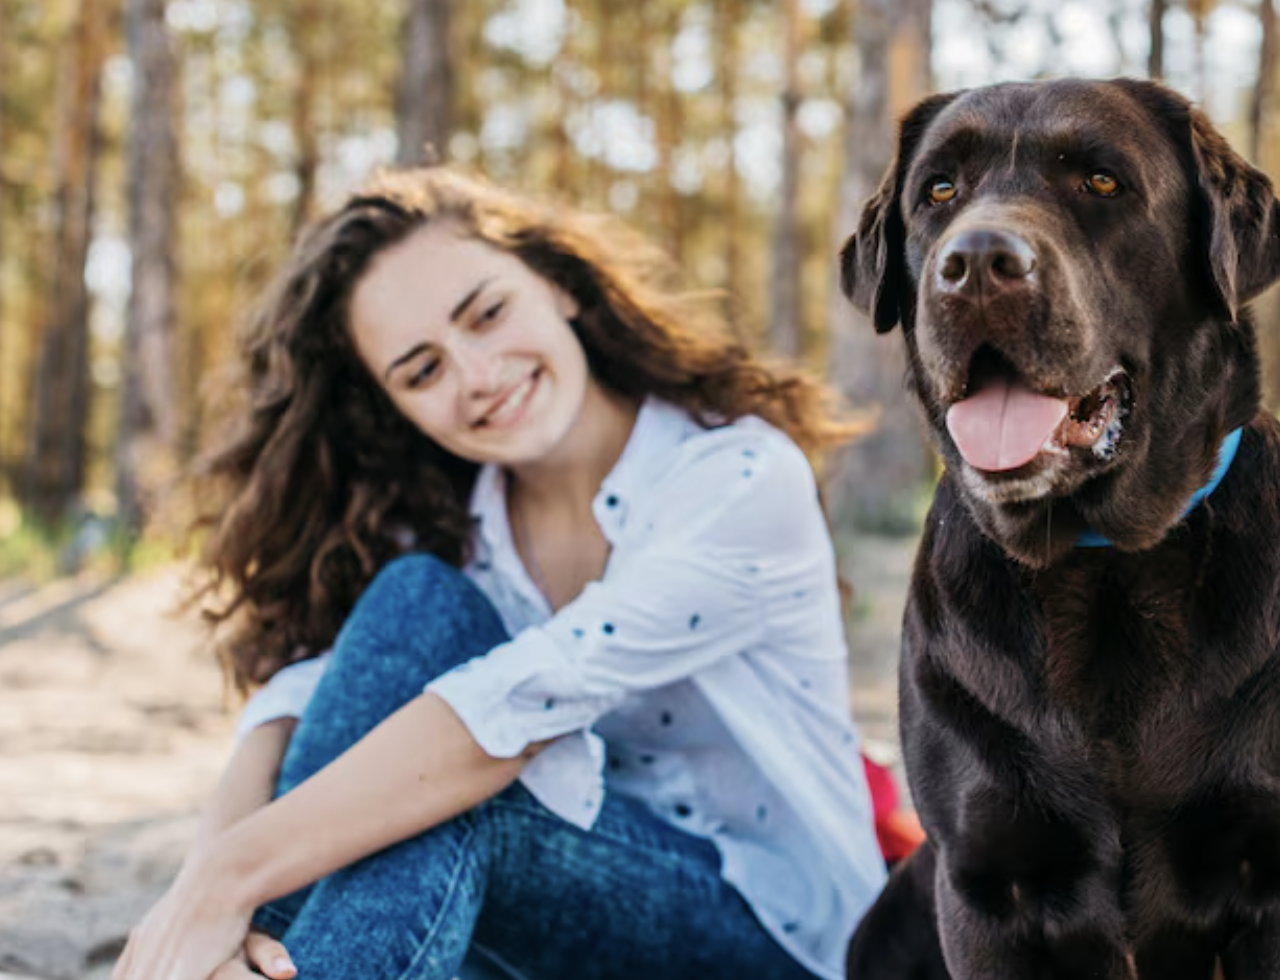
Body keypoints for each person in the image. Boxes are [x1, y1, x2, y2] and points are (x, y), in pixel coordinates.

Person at [113, 168, 887, 980]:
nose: (478, 377)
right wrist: (203, 881)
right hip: (555, 918)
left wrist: (226, 880)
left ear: (558, 285)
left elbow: (520, 703)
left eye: (487, 314)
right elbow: (307, 693)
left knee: (447, 798)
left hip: (777, 937)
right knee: (414, 615)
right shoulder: (461, 532)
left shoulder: (735, 478)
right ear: (395, 406)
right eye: (423, 371)